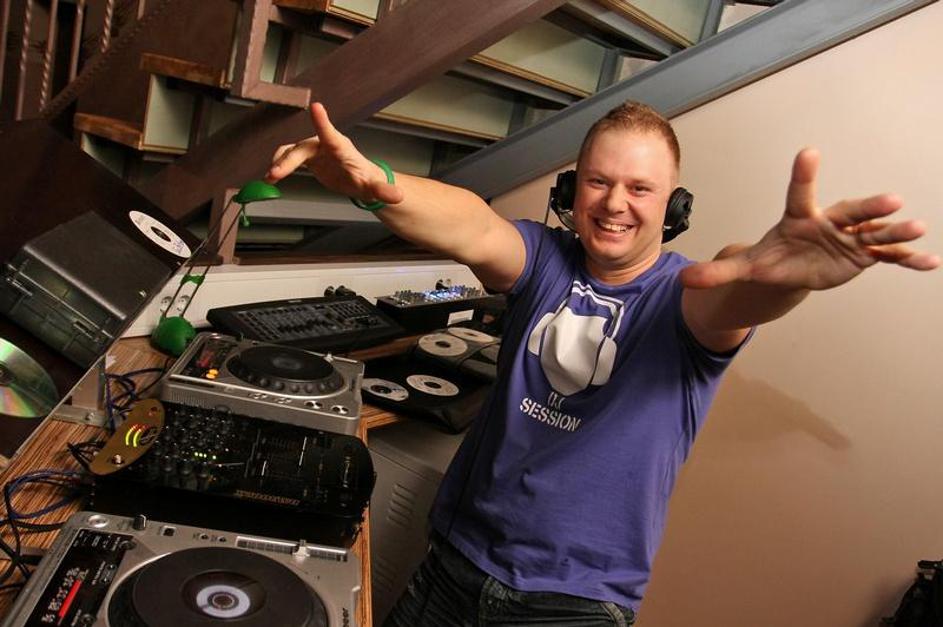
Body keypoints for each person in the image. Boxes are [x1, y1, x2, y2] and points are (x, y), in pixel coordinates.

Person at [266, 101, 940, 626]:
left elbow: (738, 289)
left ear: (674, 206)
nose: (615, 203)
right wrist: (379, 186)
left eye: (640, 188)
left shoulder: (685, 295)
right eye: (598, 181)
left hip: (573, 602)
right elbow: (472, 223)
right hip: (455, 559)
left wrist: (778, 275)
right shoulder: (543, 260)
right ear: (572, 189)